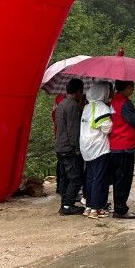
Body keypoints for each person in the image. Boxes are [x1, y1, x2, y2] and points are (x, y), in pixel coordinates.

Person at [106, 80, 135, 218]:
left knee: (119, 178)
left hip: (116, 143)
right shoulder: (124, 103)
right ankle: (120, 209)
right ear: (128, 87)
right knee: (124, 179)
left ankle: (119, 207)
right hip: (124, 145)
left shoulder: (114, 101)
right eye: (132, 87)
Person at [80, 82, 114, 219]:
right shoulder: (102, 107)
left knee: (90, 177)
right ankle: (96, 208)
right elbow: (107, 128)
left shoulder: (87, 107)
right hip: (99, 147)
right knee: (100, 178)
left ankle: (88, 206)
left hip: (86, 147)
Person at [54, 78, 86, 215]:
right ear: (78, 91)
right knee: (76, 178)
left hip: (60, 146)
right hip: (69, 148)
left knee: (64, 178)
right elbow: (73, 130)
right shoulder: (72, 106)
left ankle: (64, 203)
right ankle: (68, 205)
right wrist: (77, 148)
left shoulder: (61, 104)